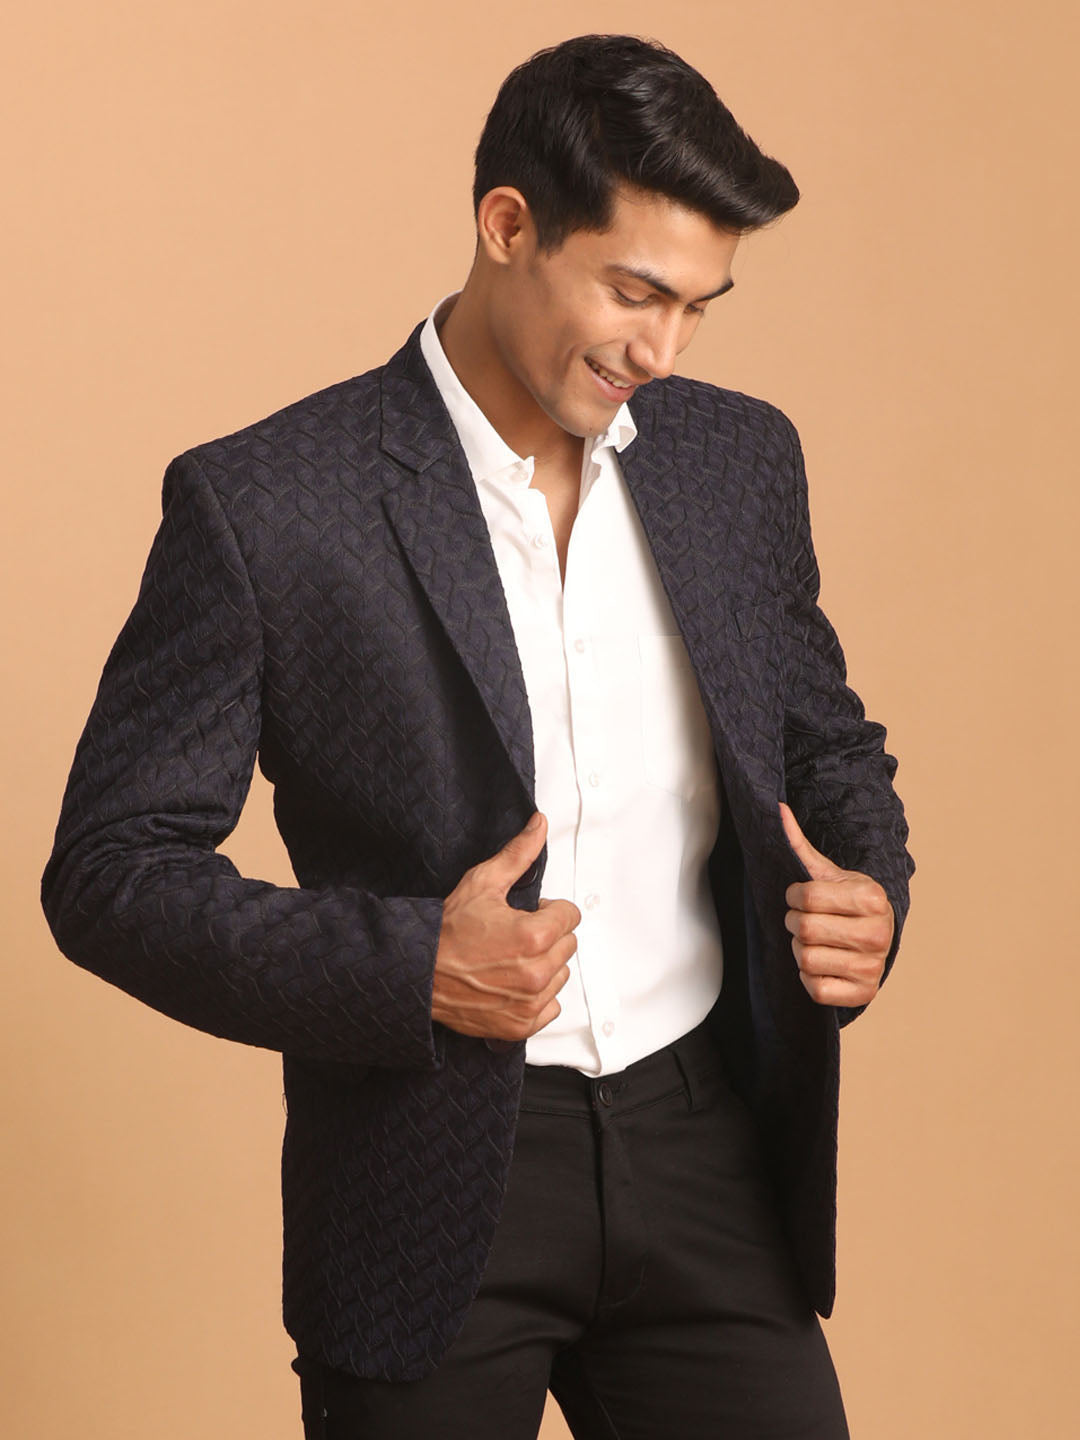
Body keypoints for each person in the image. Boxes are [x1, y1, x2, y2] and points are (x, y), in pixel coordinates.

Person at [41, 31, 913, 1440]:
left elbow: (825, 743)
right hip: (426, 1178)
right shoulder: (267, 506)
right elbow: (109, 873)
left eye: (699, 307)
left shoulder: (737, 460)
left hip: (708, 1147)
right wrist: (412, 967)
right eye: (634, 291)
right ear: (508, 225)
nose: (661, 350)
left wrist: (870, 892)